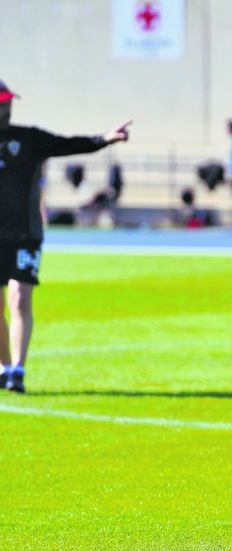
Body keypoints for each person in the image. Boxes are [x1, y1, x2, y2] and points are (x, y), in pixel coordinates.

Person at [0, 79, 131, 393]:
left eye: (8, 103)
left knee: (19, 297)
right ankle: (4, 367)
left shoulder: (28, 139)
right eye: (1, 103)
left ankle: (18, 369)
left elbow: (68, 143)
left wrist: (105, 139)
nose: (6, 109)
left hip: (25, 234)